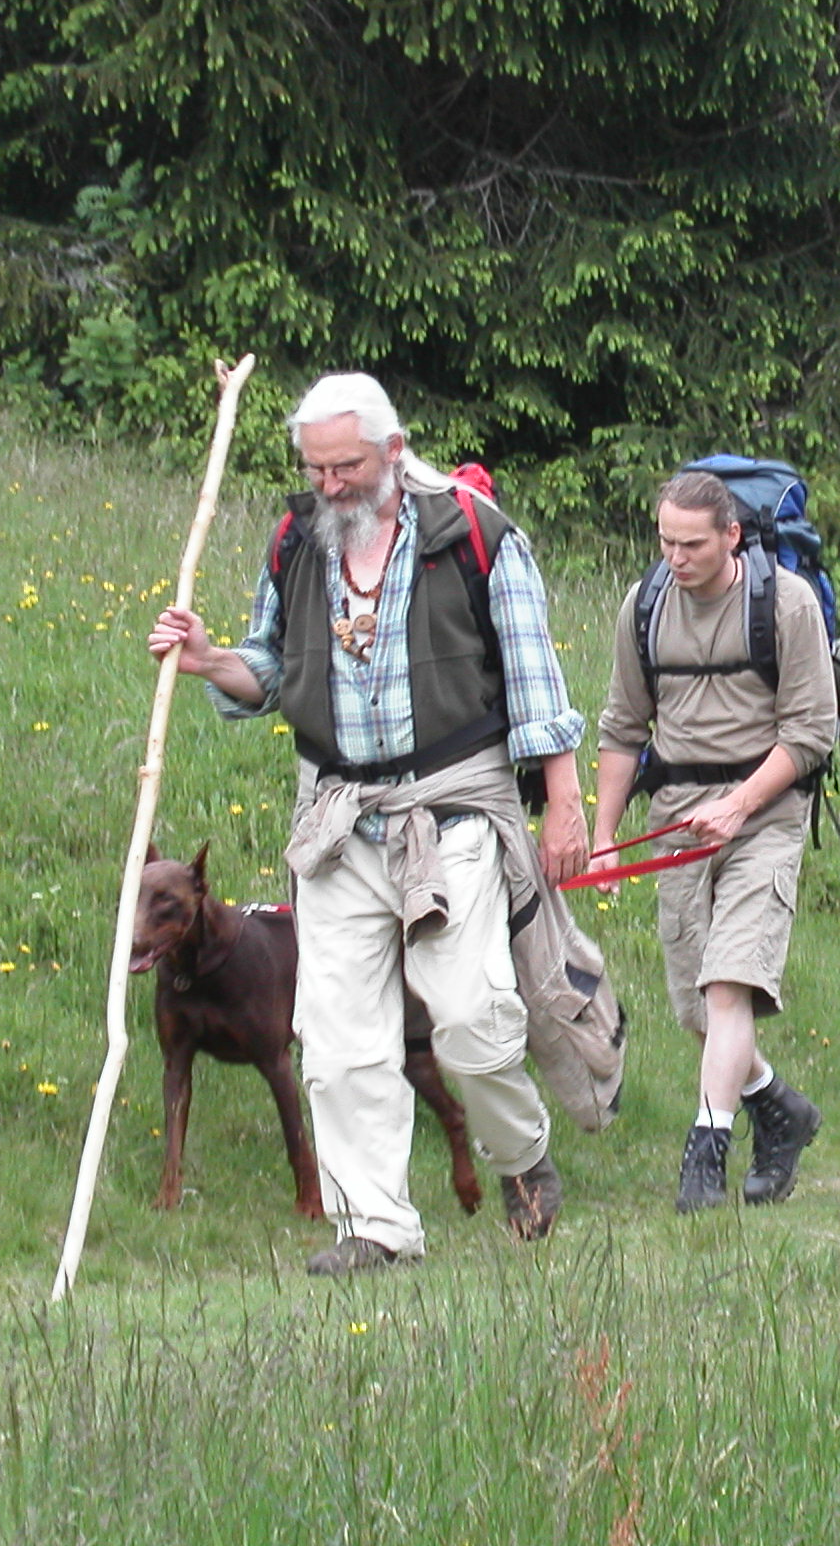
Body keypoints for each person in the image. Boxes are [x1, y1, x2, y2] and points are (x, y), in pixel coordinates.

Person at [148, 371, 583, 1276]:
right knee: (339, 1039)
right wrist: (207, 659)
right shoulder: (298, 543)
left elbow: (538, 685)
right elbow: (268, 672)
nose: (331, 485)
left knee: (468, 1015)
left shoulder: (475, 535)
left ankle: (521, 1154)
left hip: (452, 802)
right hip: (337, 817)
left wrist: (566, 803)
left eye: (346, 466)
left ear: (392, 452)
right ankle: (376, 1226)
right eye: (316, 469)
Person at [593, 469, 840, 1210]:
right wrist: (605, 835)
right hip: (675, 818)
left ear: (732, 536)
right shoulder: (644, 606)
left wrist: (739, 806)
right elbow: (620, 728)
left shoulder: (787, 605)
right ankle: (780, 1109)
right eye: (666, 542)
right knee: (699, 1012)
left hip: (764, 815)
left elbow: (810, 733)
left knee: (728, 982)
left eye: (692, 543)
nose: (677, 557)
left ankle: (705, 1155)